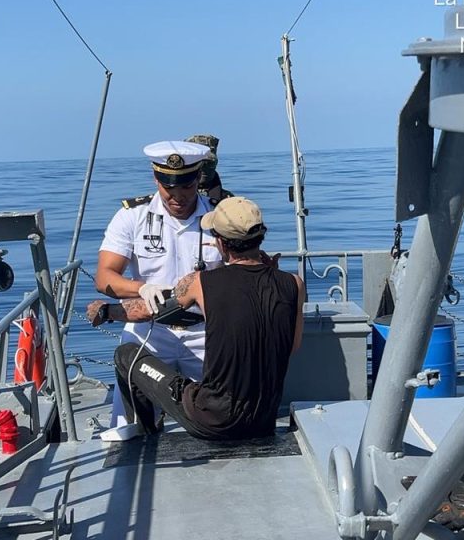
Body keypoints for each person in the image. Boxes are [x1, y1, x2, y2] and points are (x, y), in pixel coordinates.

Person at [88, 197, 306, 440]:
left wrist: (106, 311)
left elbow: (149, 310)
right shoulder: (294, 284)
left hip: (212, 420)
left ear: (220, 243)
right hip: (262, 420)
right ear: (260, 237)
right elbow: (292, 345)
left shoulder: (199, 282)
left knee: (126, 354)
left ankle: (145, 435)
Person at [96, 140, 224, 421]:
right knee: (127, 420)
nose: (177, 197)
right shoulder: (132, 216)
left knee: (218, 415)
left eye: (186, 187)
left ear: (198, 178)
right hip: (151, 331)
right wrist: (141, 288)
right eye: (168, 188)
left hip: (206, 332)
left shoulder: (219, 217)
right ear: (156, 179)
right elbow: (104, 277)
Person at [186, 134, 234, 204]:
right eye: (198, 163)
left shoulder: (228, 200)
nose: (204, 168)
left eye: (210, 163)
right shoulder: (175, 197)